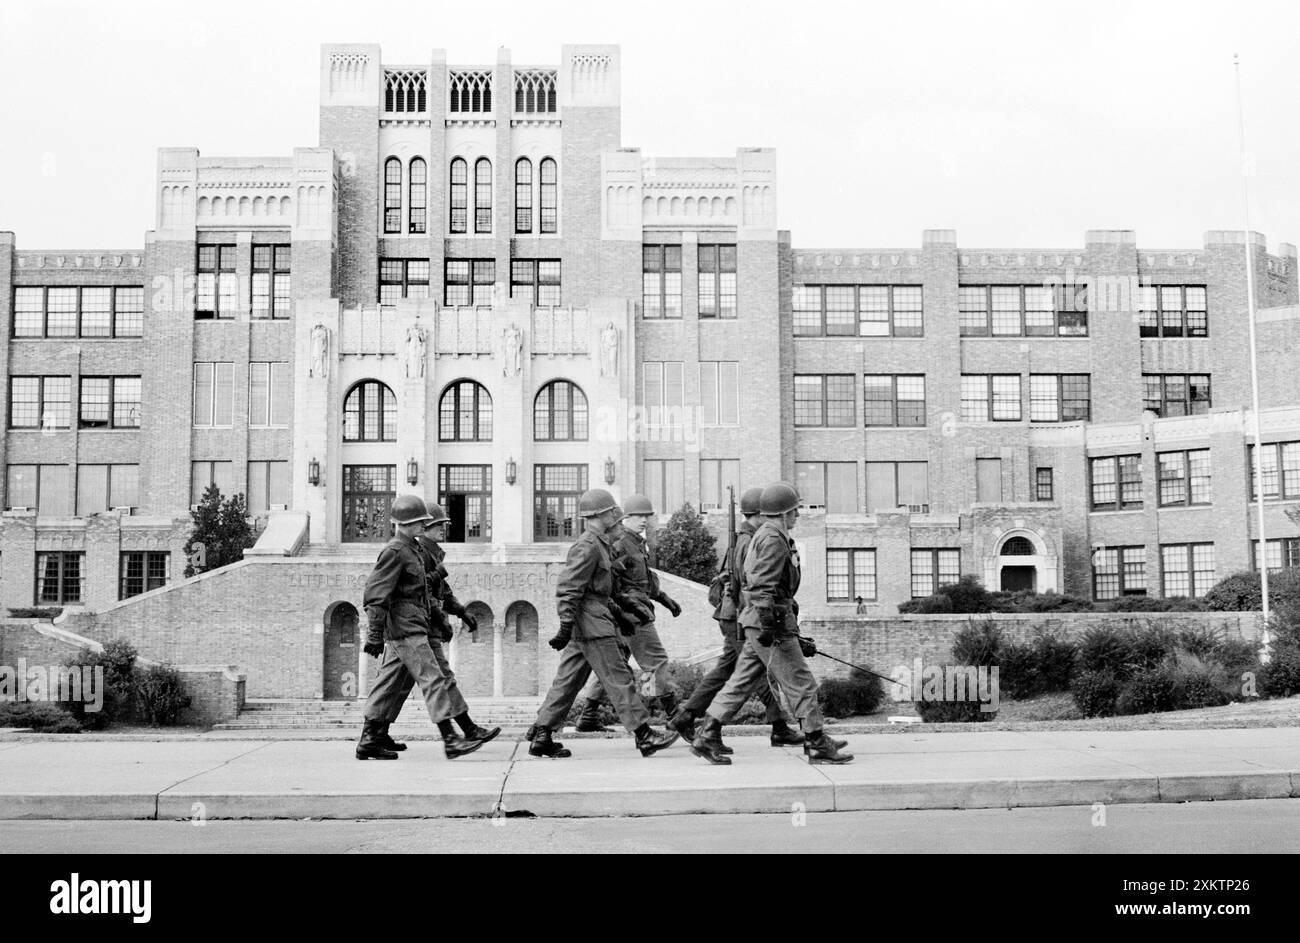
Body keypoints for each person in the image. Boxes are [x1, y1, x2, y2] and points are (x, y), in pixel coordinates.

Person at [690, 482, 854, 766]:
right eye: (795, 510)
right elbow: (761, 586)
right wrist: (770, 624)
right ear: (783, 512)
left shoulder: (769, 534)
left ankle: (707, 734)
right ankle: (816, 742)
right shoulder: (773, 539)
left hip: (762, 623)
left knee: (741, 681)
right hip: (770, 624)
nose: (798, 515)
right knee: (801, 682)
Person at [528, 489, 679, 759]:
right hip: (592, 625)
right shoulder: (588, 545)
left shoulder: (600, 543)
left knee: (567, 681)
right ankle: (644, 736)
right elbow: (569, 587)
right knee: (618, 677)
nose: (616, 516)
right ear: (598, 515)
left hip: (590, 620)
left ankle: (543, 734)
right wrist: (565, 623)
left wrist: (622, 613)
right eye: (612, 512)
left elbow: (601, 590)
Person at [355, 495, 495, 761]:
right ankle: (451, 739)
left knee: (390, 683)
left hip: (414, 624)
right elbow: (376, 594)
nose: (426, 525)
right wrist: (374, 633)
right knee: (433, 679)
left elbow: (426, 590)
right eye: (422, 521)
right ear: (409, 523)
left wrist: (446, 614)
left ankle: (371, 738)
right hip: (405, 627)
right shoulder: (394, 551)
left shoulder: (412, 551)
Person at [669, 486, 806, 749]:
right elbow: (752, 586)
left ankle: (686, 716)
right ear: (758, 515)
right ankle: (766, 727)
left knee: (728, 669)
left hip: (735, 615)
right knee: (755, 672)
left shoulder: (750, 538)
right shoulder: (752, 541)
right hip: (741, 616)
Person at [573, 495, 680, 730]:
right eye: (637, 516)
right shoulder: (620, 543)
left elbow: (642, 580)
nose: (643, 520)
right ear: (624, 518)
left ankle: (589, 715)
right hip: (632, 615)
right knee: (655, 663)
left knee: (619, 663)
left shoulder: (635, 543)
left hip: (630, 612)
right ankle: (674, 715)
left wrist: (663, 598)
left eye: (647, 516)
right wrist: (626, 611)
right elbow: (611, 582)